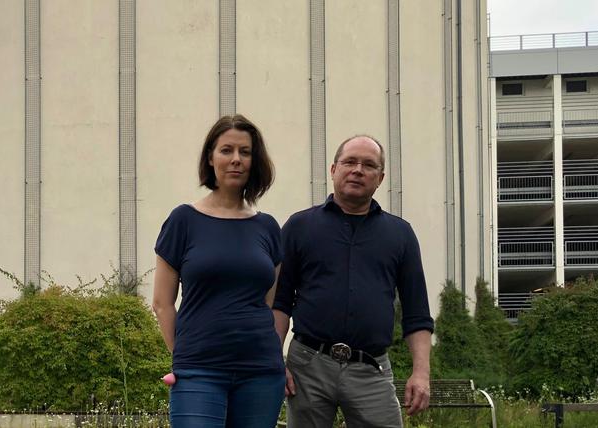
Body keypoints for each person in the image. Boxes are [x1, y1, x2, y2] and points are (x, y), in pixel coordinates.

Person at [273, 135, 434, 428]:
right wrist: (273, 360)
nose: (358, 170)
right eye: (350, 162)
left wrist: (421, 372)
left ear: (380, 178)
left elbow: (417, 313)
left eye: (368, 165)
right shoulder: (299, 227)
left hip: (370, 369)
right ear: (334, 169)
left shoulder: (400, 235)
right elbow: (279, 302)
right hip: (308, 365)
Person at [152, 114, 285, 427]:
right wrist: (182, 355)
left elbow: (270, 303)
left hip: (261, 372)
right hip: (199, 370)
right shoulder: (183, 220)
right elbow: (162, 303)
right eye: (226, 150)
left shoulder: (267, 227)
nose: (236, 159)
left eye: (245, 152)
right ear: (210, 159)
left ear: (255, 161)